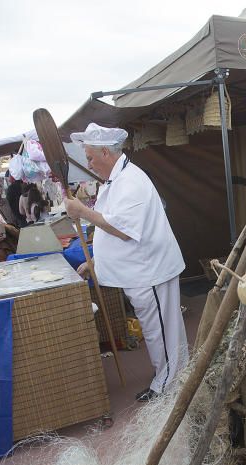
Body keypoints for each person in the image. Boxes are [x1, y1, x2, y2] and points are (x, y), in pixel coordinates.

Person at [65, 123, 187, 402]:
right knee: (158, 328)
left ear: (106, 152)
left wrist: (83, 211)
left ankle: (169, 386)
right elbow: (115, 228)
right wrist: (96, 260)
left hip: (150, 269)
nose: (89, 163)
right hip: (141, 270)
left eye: (91, 157)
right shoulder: (116, 180)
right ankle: (170, 376)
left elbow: (122, 228)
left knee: (161, 330)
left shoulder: (130, 181)